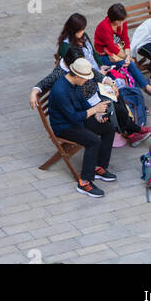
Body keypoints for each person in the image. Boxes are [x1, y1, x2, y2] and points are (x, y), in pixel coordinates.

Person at [48, 58, 117, 198]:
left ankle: (99, 167)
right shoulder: (60, 91)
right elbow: (72, 117)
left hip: (77, 118)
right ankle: (84, 182)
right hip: (64, 126)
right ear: (77, 76)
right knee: (93, 141)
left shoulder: (74, 83)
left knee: (109, 128)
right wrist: (94, 110)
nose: (87, 81)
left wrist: (96, 114)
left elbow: (81, 101)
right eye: (85, 78)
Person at [93, 5, 151, 98]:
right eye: (120, 21)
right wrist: (126, 58)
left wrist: (128, 55)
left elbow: (125, 40)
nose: (123, 22)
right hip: (105, 56)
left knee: (129, 67)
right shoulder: (105, 27)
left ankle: (141, 95)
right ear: (114, 20)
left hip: (118, 53)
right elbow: (112, 48)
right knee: (130, 67)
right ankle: (146, 89)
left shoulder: (122, 23)